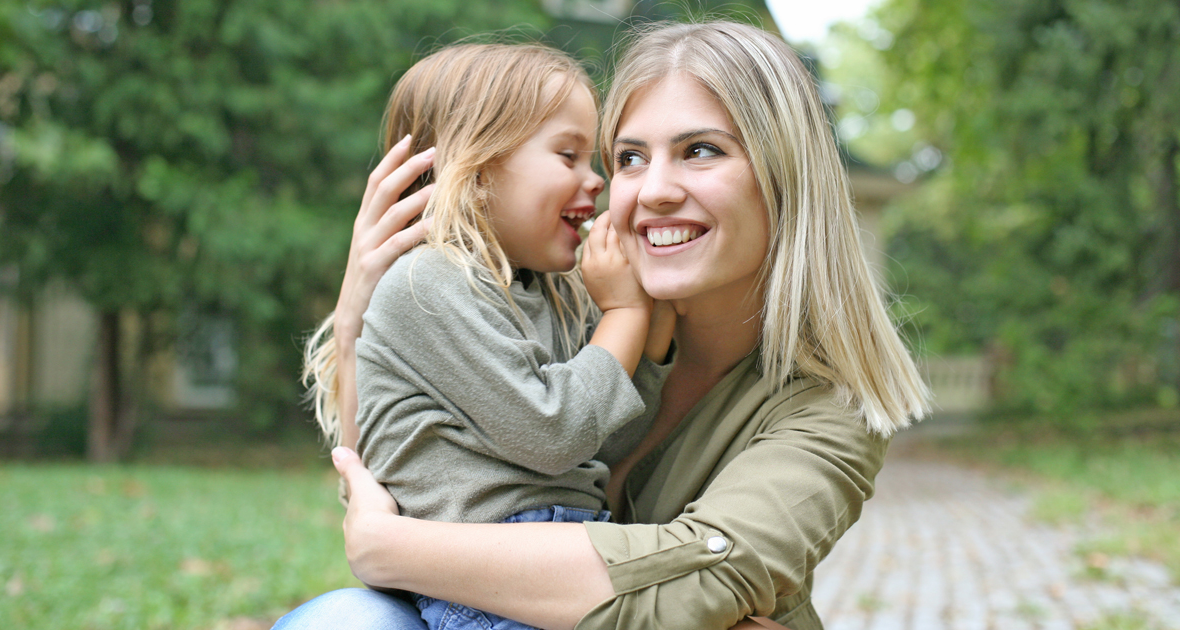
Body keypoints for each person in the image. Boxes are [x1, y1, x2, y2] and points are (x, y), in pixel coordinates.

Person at [278, 20, 929, 630]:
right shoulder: (571, 297)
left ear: (785, 178)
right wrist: (356, 312)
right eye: (629, 158)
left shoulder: (829, 409)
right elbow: (397, 469)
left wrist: (395, 550)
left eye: (700, 151)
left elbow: (708, 577)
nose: (653, 191)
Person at [298, 42, 676, 630]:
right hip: (487, 582)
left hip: (559, 556)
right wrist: (626, 315)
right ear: (477, 169)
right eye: (568, 155)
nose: (596, 181)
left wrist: (653, 341)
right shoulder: (429, 281)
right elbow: (555, 432)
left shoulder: (546, 291)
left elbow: (604, 438)